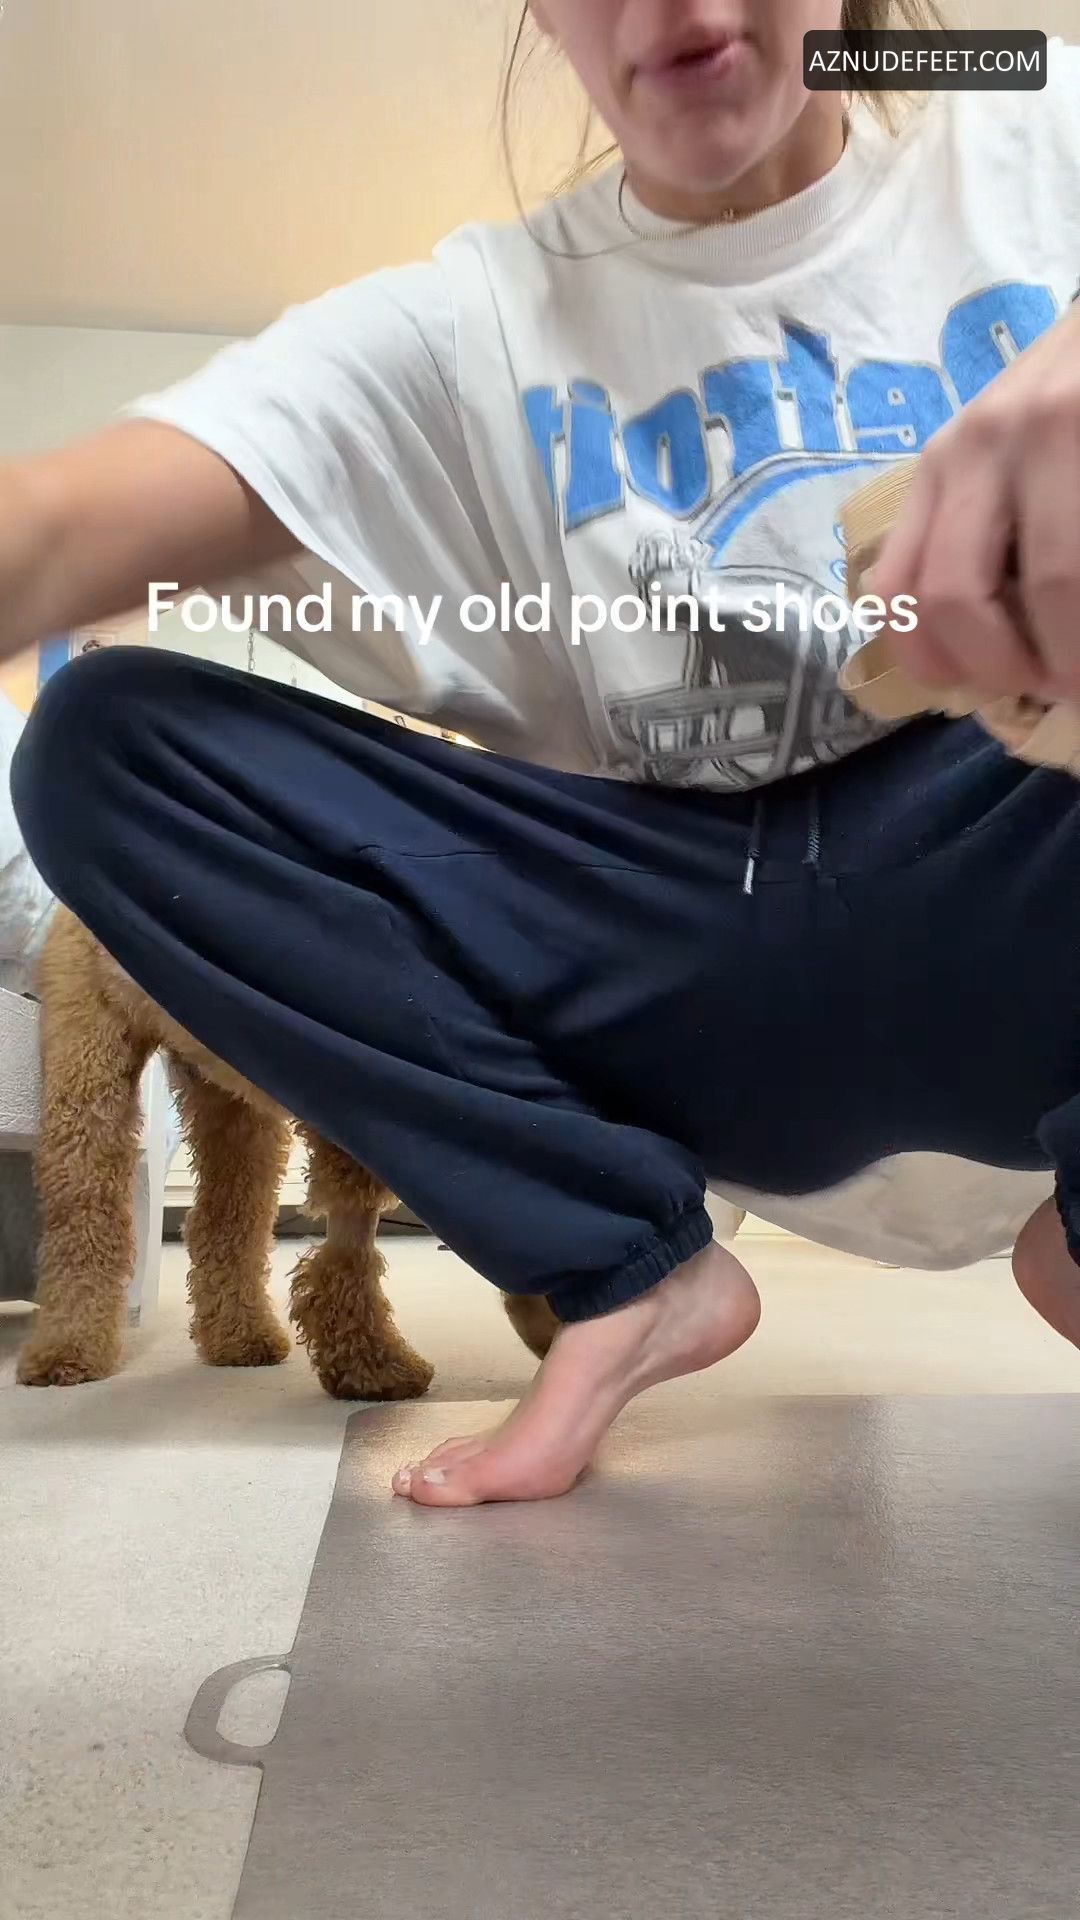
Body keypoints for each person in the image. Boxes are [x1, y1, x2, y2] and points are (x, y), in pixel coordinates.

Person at [6, 1, 1080, 1508]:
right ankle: (622, 1272)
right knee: (100, 741)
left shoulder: (1021, 94)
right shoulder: (476, 317)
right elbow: (57, 528)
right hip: (665, 952)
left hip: (1023, 878)